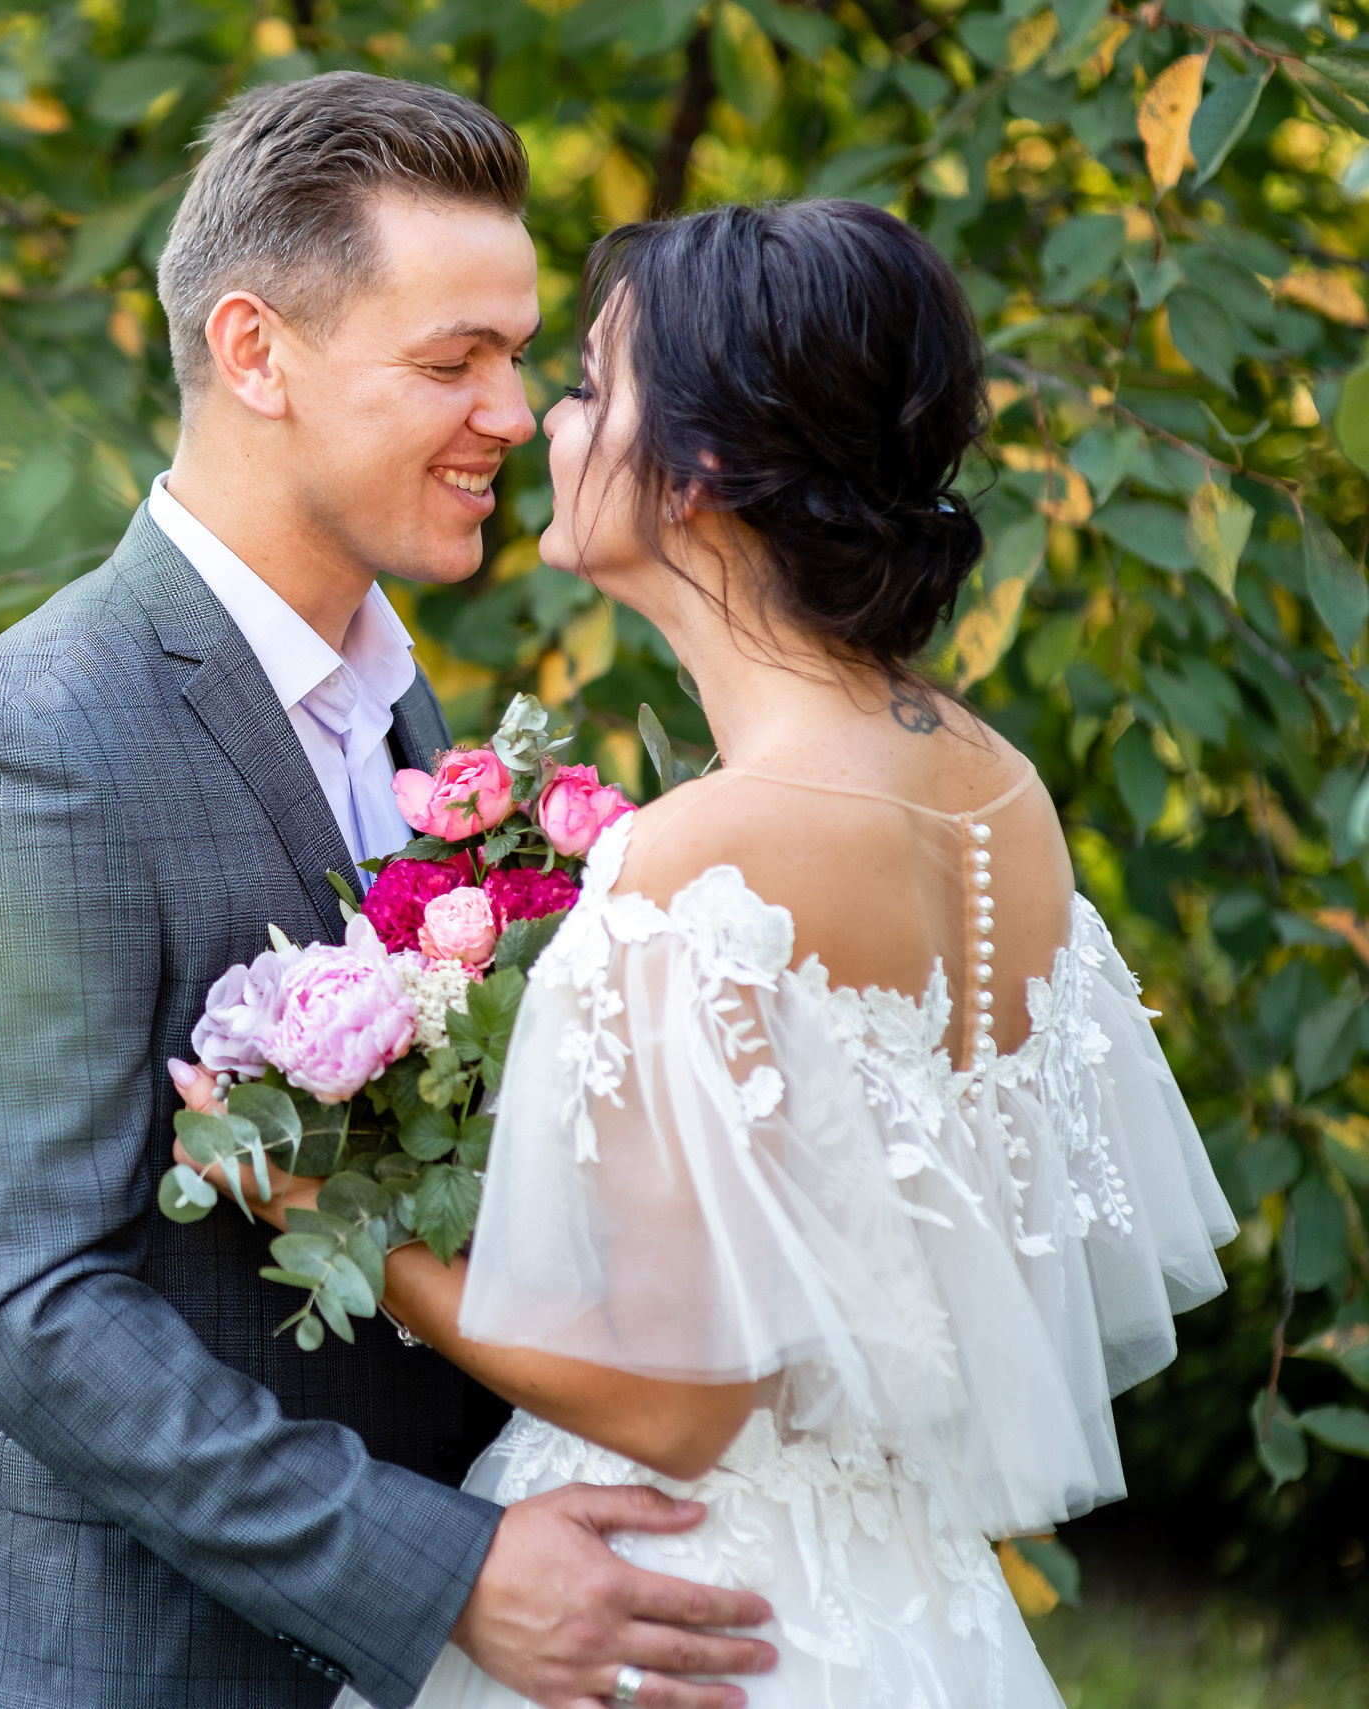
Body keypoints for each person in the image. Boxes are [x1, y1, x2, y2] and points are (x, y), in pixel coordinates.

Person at [189, 200, 1241, 1709]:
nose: (540, 419)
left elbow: (681, 1401)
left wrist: (332, 1212)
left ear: (696, 470)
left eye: (586, 386)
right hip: (904, 1607)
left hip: (676, 1602)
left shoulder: (699, 857)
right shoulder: (1000, 788)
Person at [0, 71, 781, 1709]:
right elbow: (32, 1312)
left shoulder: (412, 709)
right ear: (254, 353)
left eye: (518, 357)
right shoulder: (25, 750)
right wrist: (446, 1573)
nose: (516, 413)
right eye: (455, 362)